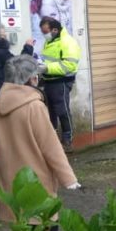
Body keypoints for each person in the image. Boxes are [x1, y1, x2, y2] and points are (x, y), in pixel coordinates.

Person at [0, 55, 81, 226]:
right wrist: (69, 179)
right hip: (36, 183)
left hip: (9, 182)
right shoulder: (34, 106)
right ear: (32, 78)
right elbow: (51, 147)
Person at [39, 17, 82, 153]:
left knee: (62, 111)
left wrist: (46, 68)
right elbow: (47, 60)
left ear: (55, 30)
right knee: (50, 111)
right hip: (49, 81)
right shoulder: (50, 41)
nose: (44, 34)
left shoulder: (68, 42)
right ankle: (52, 139)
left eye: (46, 31)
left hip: (61, 81)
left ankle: (67, 139)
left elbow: (69, 65)